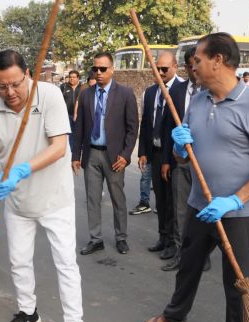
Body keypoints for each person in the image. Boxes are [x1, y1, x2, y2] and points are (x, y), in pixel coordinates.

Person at [141, 33, 249, 322]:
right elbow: (184, 157)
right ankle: (176, 313)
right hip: (199, 205)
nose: (194, 65)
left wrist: (235, 199)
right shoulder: (200, 100)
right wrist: (179, 147)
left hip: (236, 212)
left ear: (218, 60)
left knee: (238, 281)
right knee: (187, 265)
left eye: (199, 60)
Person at [0, 49, 97, 322]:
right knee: (18, 261)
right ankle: (27, 312)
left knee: (65, 263)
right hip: (17, 203)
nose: (10, 93)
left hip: (55, 198)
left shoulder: (49, 96)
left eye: (15, 84)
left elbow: (59, 147)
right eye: (2, 86)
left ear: (28, 74)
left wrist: (22, 168)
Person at [73, 52, 138, 255]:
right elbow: (80, 127)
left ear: (112, 69)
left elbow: (132, 128)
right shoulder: (86, 94)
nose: (98, 72)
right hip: (92, 155)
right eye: (95, 69)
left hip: (115, 157)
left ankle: (121, 237)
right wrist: (76, 155)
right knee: (92, 199)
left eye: (103, 69)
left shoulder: (125, 94)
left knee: (118, 198)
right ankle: (96, 239)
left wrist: (126, 156)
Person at [159, 47, 211, 272]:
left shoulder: (212, 90)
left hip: (205, 162)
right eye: (191, 65)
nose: (194, 69)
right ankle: (182, 254)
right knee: (181, 210)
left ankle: (203, 255)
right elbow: (167, 127)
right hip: (181, 160)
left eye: (197, 64)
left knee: (204, 211)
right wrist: (166, 159)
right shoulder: (177, 91)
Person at [138, 51, 180, 261]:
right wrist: (143, 152)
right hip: (154, 152)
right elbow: (146, 122)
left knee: (173, 201)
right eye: (157, 68)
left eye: (164, 69)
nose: (160, 72)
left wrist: (167, 159)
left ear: (175, 66)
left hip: (173, 155)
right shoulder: (151, 91)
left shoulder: (181, 91)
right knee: (160, 199)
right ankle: (163, 237)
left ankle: (173, 241)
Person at [61, 70, 82, 149]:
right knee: (69, 133)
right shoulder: (64, 87)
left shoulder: (82, 88)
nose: (71, 79)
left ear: (78, 78)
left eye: (74, 77)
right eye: (70, 77)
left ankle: (78, 149)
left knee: (78, 133)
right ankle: (71, 151)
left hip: (79, 115)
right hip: (67, 115)